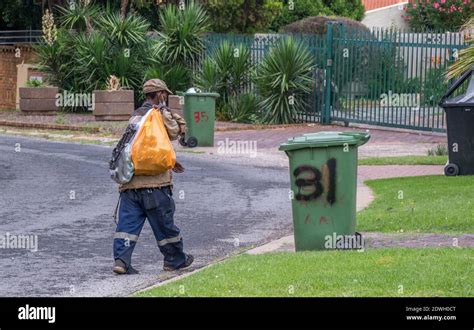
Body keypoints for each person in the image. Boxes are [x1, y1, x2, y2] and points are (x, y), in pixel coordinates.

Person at [112, 79, 193, 275]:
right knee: (164, 226)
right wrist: (167, 111)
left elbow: (139, 147)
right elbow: (176, 132)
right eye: (164, 94)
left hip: (130, 184)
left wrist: (171, 162)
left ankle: (121, 261)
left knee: (127, 226)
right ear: (160, 95)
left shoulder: (135, 116)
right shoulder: (159, 114)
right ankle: (174, 260)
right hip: (156, 185)